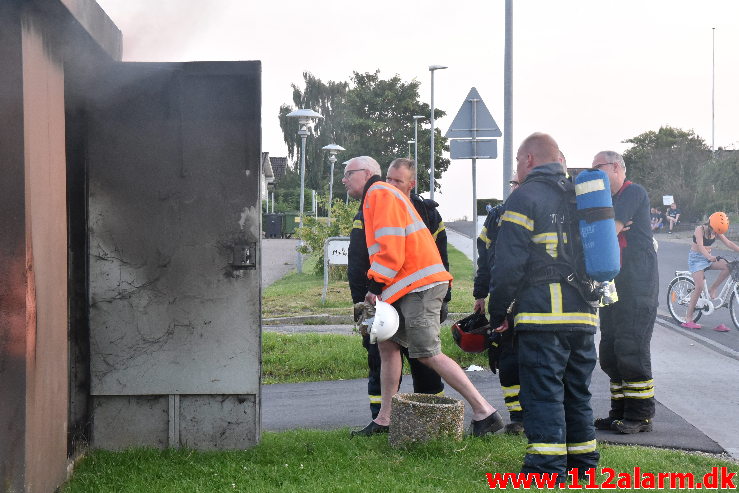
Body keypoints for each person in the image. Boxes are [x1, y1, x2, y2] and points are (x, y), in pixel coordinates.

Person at [343, 156, 503, 437]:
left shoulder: (378, 193)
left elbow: (390, 247)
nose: (343, 180)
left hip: (419, 285)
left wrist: (374, 286)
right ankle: (384, 420)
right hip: (406, 286)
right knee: (388, 346)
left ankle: (484, 411)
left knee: (427, 353)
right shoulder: (379, 195)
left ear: (365, 173)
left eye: (347, 174)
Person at [488, 133, 600, 480]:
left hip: (542, 316)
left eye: (517, 162)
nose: (517, 169)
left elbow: (508, 264)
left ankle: (545, 468)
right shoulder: (581, 198)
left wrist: (498, 310)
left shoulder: (524, 196)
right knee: (576, 392)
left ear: (528, 160)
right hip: (584, 315)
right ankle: (583, 467)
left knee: (542, 393)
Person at [348, 158, 449, 425]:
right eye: (388, 179)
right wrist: (361, 305)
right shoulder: (371, 206)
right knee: (380, 358)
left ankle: (431, 419)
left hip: (414, 295)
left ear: (411, 184)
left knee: (424, 360)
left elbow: (440, 258)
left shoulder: (427, 213)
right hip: (380, 297)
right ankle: (381, 419)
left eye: (397, 181)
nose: (389, 185)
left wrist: (443, 300)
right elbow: (358, 261)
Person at [591, 150, 658, 434]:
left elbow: (606, 232)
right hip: (613, 286)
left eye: (598, 168)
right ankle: (619, 411)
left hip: (637, 284)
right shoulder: (607, 200)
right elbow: (596, 231)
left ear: (616, 167)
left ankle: (640, 415)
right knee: (610, 351)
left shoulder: (633, 193)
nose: (593, 174)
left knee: (632, 348)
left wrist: (607, 229)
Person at [472, 173, 523, 435]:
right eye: (513, 183)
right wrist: (480, 295)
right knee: (507, 358)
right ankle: (518, 417)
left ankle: (539, 413)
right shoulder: (496, 216)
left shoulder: (539, 213)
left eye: (519, 183)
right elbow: (484, 258)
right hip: (502, 298)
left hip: (532, 298)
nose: (515, 188)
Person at [681, 212, 739, 331]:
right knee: (699, 287)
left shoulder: (716, 232)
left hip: (709, 258)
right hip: (696, 260)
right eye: (715, 231)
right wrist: (708, 257)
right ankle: (688, 318)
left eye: (718, 232)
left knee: (728, 266)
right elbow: (701, 246)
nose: (716, 234)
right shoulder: (700, 229)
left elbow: (728, 243)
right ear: (710, 225)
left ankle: (713, 288)